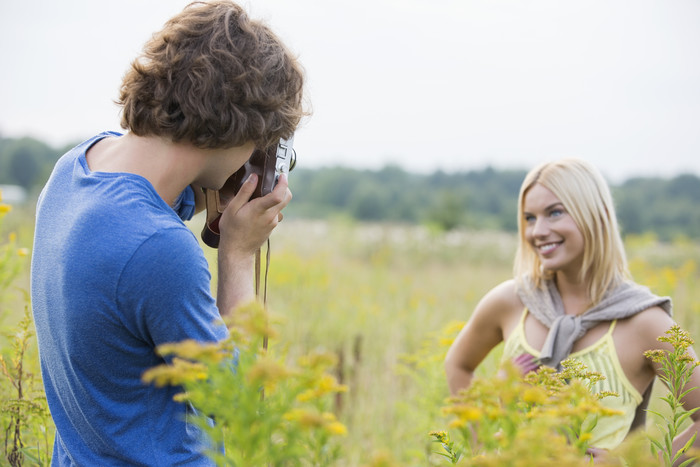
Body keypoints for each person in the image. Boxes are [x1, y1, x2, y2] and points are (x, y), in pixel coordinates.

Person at [30, 1, 305, 465]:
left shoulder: (76, 169)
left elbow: (148, 205)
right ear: (243, 126)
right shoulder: (159, 250)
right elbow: (232, 403)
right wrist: (238, 253)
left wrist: (217, 187)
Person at [444, 158, 700, 459]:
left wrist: (634, 465)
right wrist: (482, 449)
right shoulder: (511, 301)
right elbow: (458, 365)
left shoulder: (646, 323)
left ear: (596, 215)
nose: (537, 231)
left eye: (554, 213)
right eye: (529, 218)